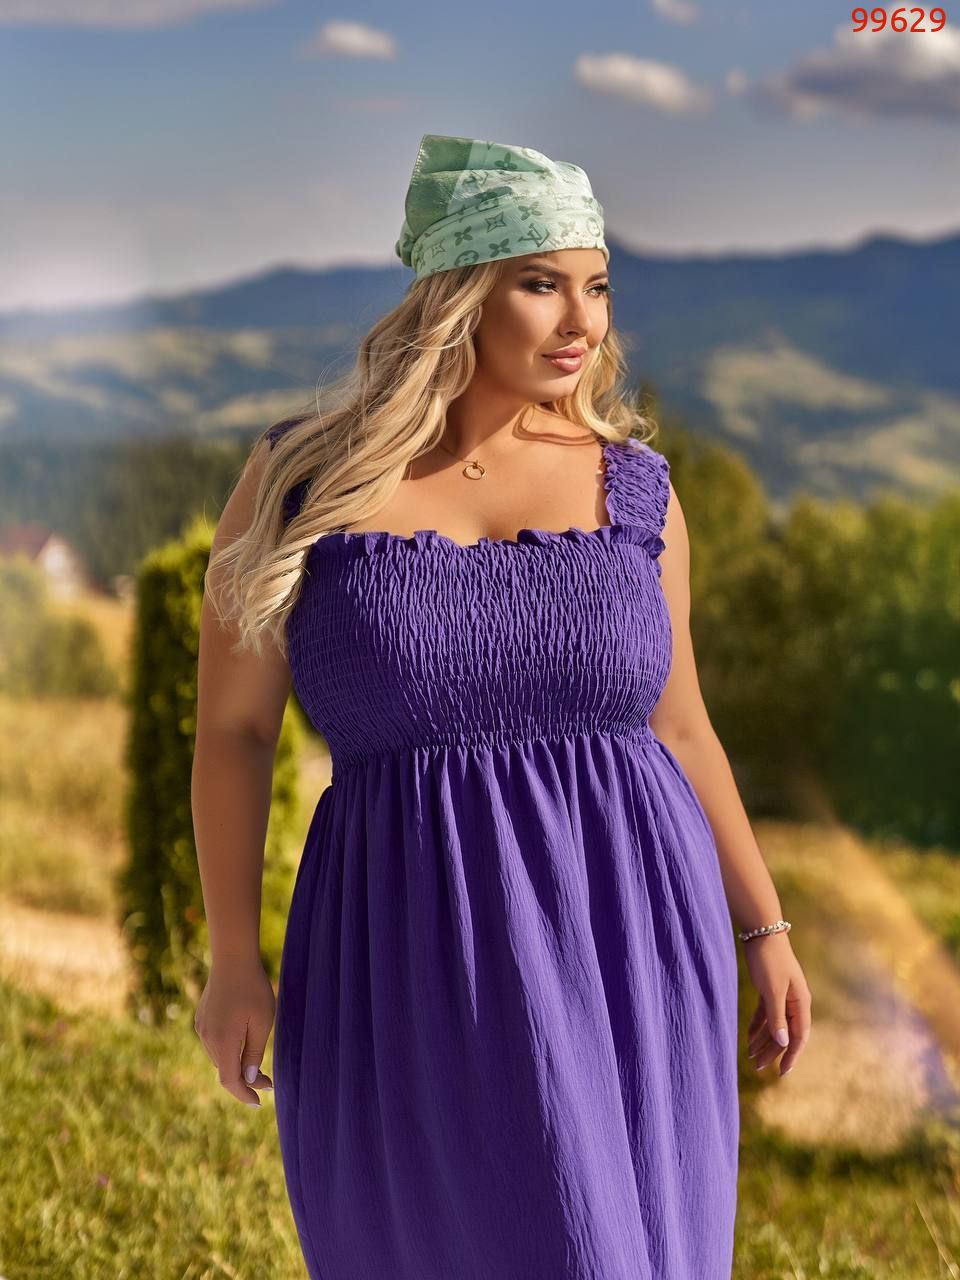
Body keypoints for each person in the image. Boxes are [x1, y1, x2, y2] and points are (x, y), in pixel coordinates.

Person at [192, 133, 812, 1279]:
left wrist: (764, 927)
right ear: (458, 295)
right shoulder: (301, 481)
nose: (583, 321)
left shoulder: (636, 490)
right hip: (408, 949)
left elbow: (680, 725)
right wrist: (234, 955)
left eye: (597, 285)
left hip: (631, 935)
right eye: (540, 283)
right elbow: (233, 732)